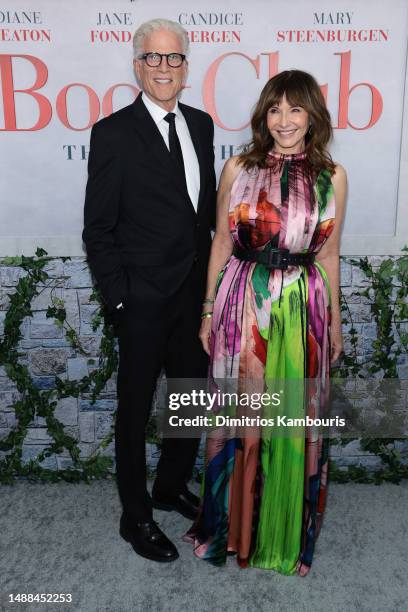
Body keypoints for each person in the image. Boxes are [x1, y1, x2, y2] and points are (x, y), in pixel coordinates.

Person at [185, 70, 347, 575]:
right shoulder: (238, 167)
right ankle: (235, 534)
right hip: (242, 301)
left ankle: (281, 534)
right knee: (242, 420)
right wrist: (209, 309)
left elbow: (330, 256)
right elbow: (219, 243)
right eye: (274, 109)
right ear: (263, 116)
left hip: (303, 305)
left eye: (295, 109)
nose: (284, 121)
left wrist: (336, 323)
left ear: (311, 116)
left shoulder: (333, 176)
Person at [82, 19, 216, 562]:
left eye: (174, 58)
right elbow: (98, 228)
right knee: (135, 411)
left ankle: (169, 486)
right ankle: (134, 516)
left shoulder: (203, 125)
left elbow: (201, 217)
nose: (164, 67)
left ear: (187, 67)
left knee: (189, 397)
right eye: (153, 58)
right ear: (138, 66)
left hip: (192, 298)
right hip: (139, 300)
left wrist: (211, 292)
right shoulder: (113, 133)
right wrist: (120, 298)